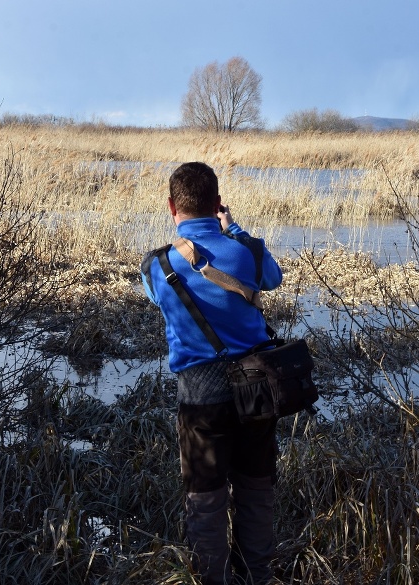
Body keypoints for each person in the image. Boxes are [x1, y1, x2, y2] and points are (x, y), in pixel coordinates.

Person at [141, 162, 283, 585]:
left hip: (200, 399)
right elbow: (272, 277)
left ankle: (213, 578)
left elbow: (158, 298)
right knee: (256, 488)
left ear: (171, 206)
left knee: (205, 498)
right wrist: (233, 229)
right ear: (218, 203)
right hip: (257, 391)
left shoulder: (158, 265)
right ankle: (257, 575)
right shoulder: (249, 252)